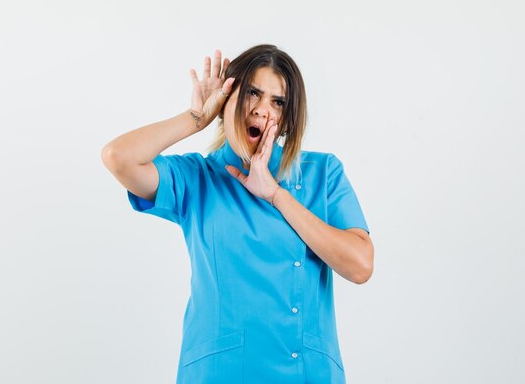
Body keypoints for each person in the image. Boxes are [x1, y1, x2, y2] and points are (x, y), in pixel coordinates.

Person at [101, 44, 374, 384]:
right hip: (220, 373)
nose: (263, 110)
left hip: (306, 372)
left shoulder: (323, 173)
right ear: (228, 96)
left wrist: (276, 195)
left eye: (278, 102)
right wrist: (196, 119)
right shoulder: (197, 178)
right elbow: (118, 157)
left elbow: (361, 265)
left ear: (288, 117)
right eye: (252, 94)